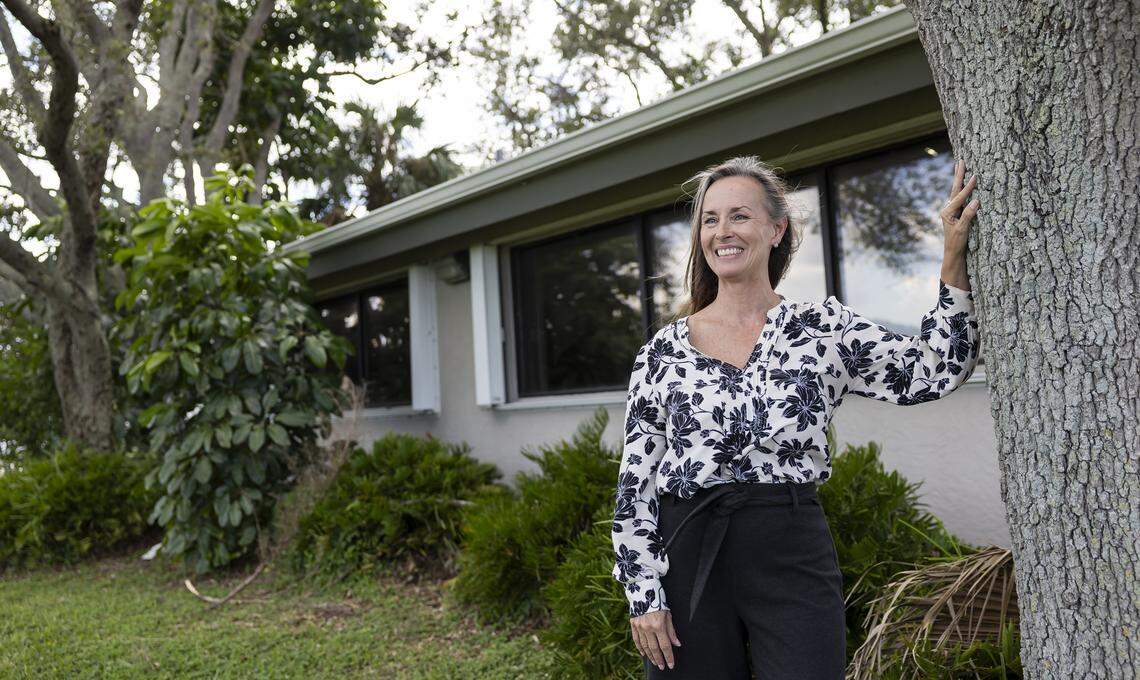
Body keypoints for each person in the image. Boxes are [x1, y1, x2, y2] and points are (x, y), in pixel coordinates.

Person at [610, 155, 982, 679]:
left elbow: (933, 369)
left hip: (790, 547)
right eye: (710, 220)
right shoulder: (661, 354)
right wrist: (643, 593)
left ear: (777, 228)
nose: (723, 232)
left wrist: (952, 257)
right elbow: (635, 485)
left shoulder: (821, 329)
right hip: (688, 550)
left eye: (739, 215)